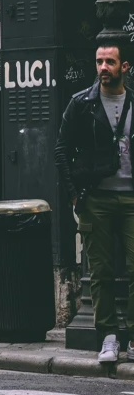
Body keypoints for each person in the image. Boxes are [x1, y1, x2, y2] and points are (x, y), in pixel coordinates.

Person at [57, 36, 134, 368]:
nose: (104, 68)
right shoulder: (82, 104)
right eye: (100, 62)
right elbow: (62, 150)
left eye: (111, 62)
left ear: (124, 67)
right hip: (97, 198)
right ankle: (109, 337)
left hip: (131, 199)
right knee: (100, 273)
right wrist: (75, 194)